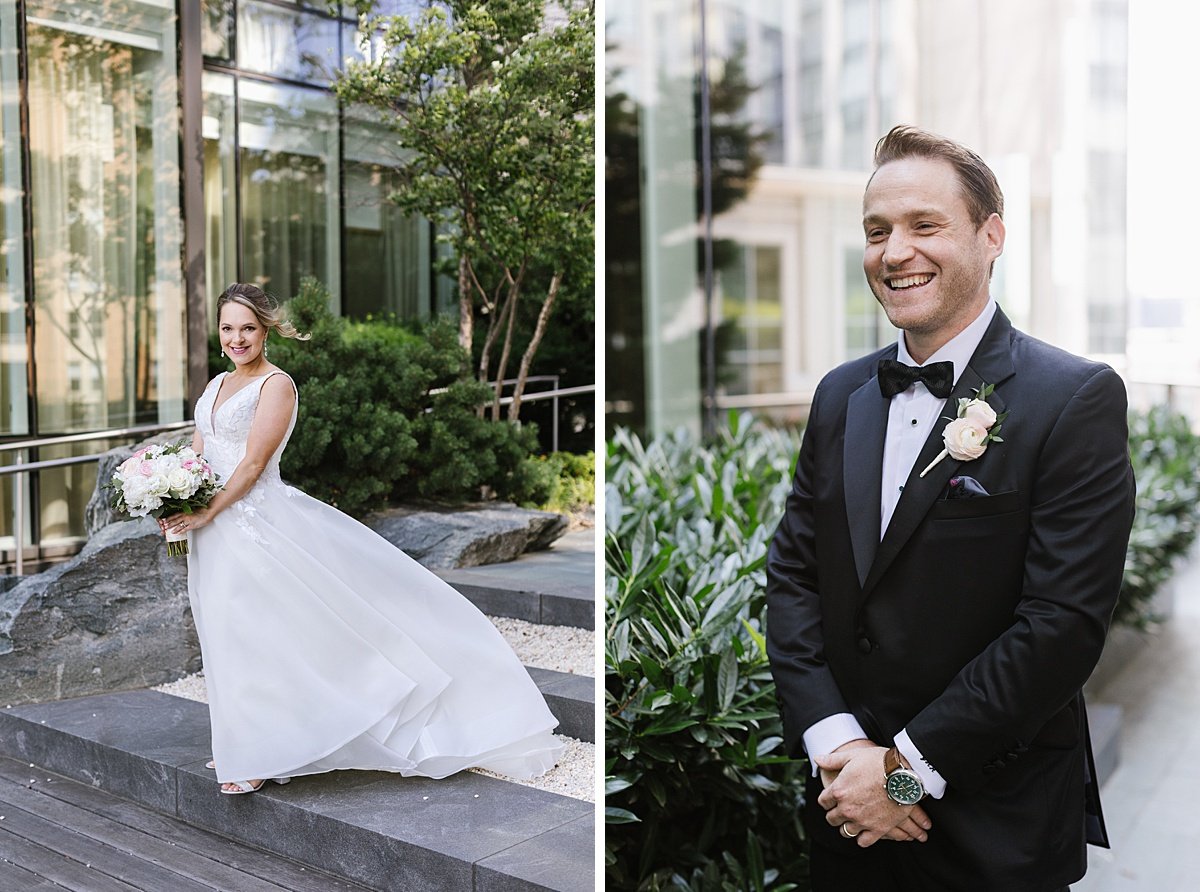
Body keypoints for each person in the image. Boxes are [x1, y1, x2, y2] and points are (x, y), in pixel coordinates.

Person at [765, 125, 1135, 891]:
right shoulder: (840, 395)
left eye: (923, 225)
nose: (894, 252)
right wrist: (839, 750)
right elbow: (795, 577)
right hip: (845, 818)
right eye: (877, 232)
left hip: (994, 829)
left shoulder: (1074, 398)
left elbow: (1060, 627)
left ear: (991, 234)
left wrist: (900, 777)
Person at [159, 282, 564, 795]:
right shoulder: (216, 385)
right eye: (228, 328)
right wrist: (177, 505)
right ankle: (244, 741)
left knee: (266, 636)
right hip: (212, 531)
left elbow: (254, 464)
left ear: (266, 331)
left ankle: (265, 752)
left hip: (256, 526)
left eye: (248, 328)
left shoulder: (276, 385)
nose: (237, 338)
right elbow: (198, 456)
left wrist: (206, 512)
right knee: (225, 634)